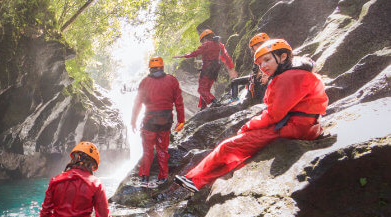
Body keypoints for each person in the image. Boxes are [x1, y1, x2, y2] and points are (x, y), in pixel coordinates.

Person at [174, 39, 328, 192]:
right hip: (301, 126)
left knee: (228, 146)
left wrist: (248, 125)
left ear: (282, 57)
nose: (263, 66)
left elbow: (274, 115)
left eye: (267, 60)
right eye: (260, 64)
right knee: (239, 151)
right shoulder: (295, 73)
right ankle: (200, 180)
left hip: (294, 127)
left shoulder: (289, 77)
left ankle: (193, 179)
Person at [130, 56, 185, 187]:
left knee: (148, 150)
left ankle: (145, 179)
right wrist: (181, 120)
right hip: (166, 121)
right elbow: (179, 102)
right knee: (162, 150)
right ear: (162, 67)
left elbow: (137, 104)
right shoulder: (172, 80)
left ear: (150, 68)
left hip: (149, 121)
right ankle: (163, 177)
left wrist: (133, 121)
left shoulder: (144, 82)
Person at [175, 29, 238, 109]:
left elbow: (196, 53)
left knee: (202, 90)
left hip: (207, 69)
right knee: (206, 89)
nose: (202, 43)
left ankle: (215, 102)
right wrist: (231, 68)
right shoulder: (220, 45)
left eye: (202, 42)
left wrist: (185, 55)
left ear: (204, 39)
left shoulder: (207, 44)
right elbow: (226, 57)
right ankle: (203, 107)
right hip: (215, 70)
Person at [227, 32, 271, 104]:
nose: (252, 50)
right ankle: (234, 99)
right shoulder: (259, 55)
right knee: (234, 81)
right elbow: (256, 70)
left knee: (260, 86)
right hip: (255, 77)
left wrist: (266, 76)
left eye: (254, 47)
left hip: (263, 79)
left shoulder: (269, 54)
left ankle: (261, 102)